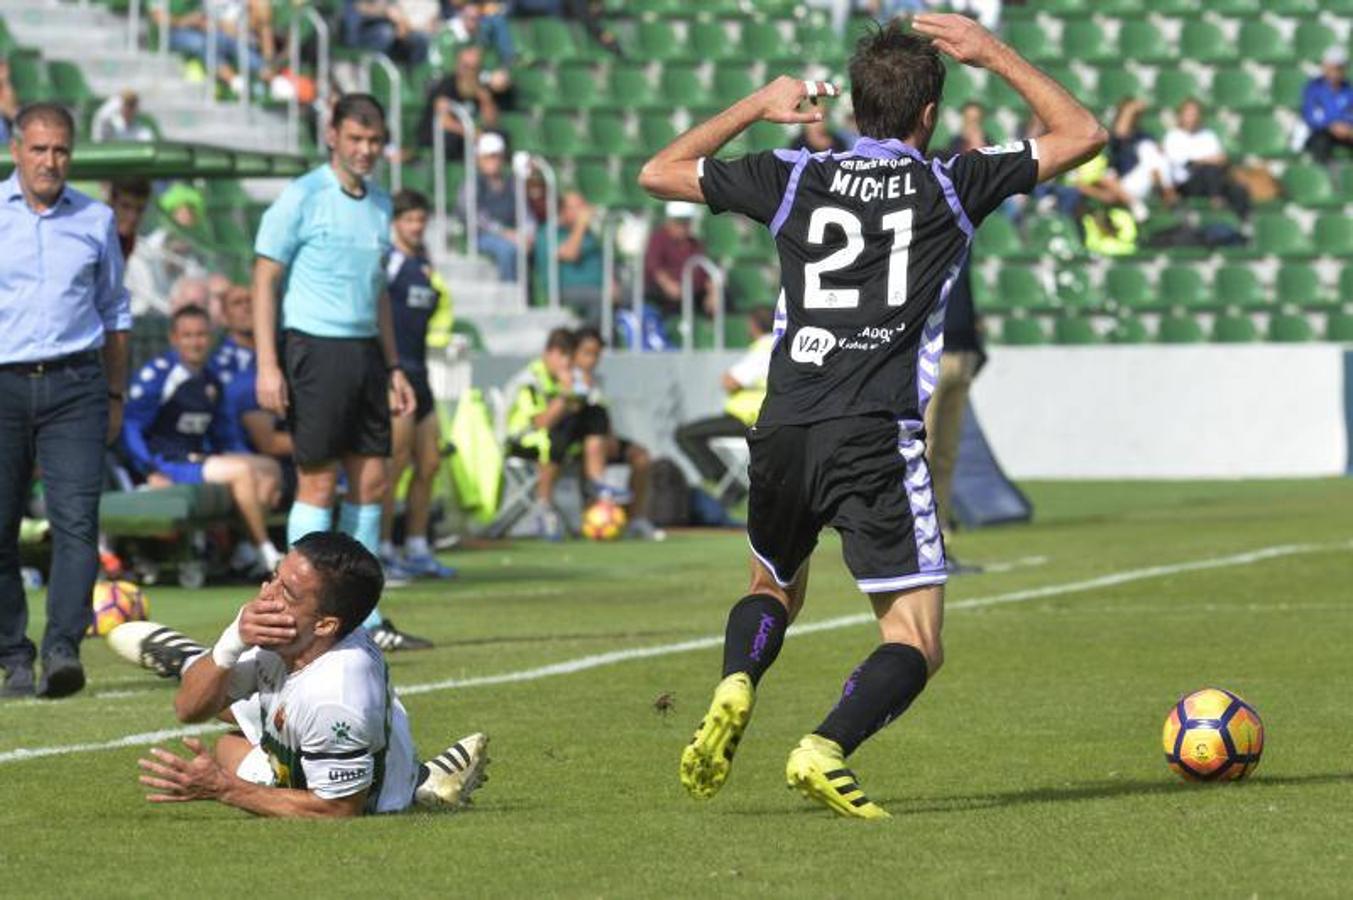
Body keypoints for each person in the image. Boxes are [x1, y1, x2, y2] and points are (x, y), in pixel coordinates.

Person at [639, 16, 1105, 817]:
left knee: (772, 583)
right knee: (915, 640)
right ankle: (824, 745)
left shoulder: (792, 177)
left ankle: (738, 679)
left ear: (854, 108)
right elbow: (1082, 134)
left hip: (784, 421)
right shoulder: (953, 182)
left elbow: (658, 172)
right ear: (926, 114)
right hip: (873, 432)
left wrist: (759, 103)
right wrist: (990, 53)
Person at [136, 532, 488, 816]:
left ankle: (417, 785)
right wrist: (231, 642)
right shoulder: (288, 629)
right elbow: (188, 709)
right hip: (332, 724)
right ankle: (193, 660)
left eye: (285, 592)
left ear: (324, 624)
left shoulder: (335, 696)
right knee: (228, 738)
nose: (265, 594)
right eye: (274, 576)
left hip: (361, 795)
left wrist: (223, 788)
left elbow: (338, 809)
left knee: (230, 744)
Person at [252, 93, 430, 651]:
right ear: (332, 136)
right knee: (319, 481)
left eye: (374, 141)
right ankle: (297, 612)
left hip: (365, 356)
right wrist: (268, 362)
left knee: (373, 481)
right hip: (314, 349)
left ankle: (363, 616)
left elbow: (377, 293)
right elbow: (263, 279)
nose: (365, 149)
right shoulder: (301, 197)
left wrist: (393, 364)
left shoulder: (380, 204)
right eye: (355, 138)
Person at [0, 102, 132, 700]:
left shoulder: (96, 219)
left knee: (76, 523)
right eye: (39, 149)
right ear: (15, 150)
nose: (50, 160)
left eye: (60, 150)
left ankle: (61, 650)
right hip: (3, 383)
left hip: (78, 384)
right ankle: (13, 657)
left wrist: (115, 393)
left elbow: (115, 312)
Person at [122, 305, 285, 577]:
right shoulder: (158, 375)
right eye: (187, 335)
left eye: (201, 335)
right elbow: (131, 427)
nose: (195, 342)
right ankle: (266, 552)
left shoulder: (211, 380)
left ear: (210, 338)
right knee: (242, 472)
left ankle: (243, 550)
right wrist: (150, 470)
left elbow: (224, 435)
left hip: (196, 459)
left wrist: (242, 458)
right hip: (168, 462)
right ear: (174, 338)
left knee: (268, 468)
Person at [378, 189, 456, 579]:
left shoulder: (425, 265)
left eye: (421, 220)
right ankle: (383, 549)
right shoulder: (389, 263)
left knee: (429, 462)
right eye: (409, 220)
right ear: (395, 222)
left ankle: (417, 545)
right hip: (395, 375)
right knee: (393, 465)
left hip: (421, 373)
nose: (416, 227)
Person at [673, 306, 775, 503]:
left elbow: (730, 381)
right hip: (768, 419)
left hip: (748, 419)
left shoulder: (763, 348)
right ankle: (728, 485)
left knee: (685, 434)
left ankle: (726, 485)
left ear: (754, 325)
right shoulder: (782, 346)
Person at [571, 326, 664, 541]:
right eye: (587, 353)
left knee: (641, 456)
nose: (592, 360)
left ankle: (636, 518)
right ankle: (599, 505)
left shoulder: (597, 381)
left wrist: (610, 436)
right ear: (574, 352)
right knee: (595, 445)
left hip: (601, 439)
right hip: (576, 443)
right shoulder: (568, 378)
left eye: (596, 354)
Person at [503, 328, 595, 539]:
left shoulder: (566, 378)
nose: (566, 364)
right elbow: (541, 423)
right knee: (556, 438)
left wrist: (583, 394)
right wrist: (565, 393)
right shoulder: (530, 380)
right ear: (549, 353)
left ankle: (595, 499)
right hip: (523, 438)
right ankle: (544, 508)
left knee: (593, 418)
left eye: (570, 358)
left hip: (552, 437)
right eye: (563, 356)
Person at [1162, 98, 1249, 219]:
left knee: (1238, 190)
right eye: (1189, 114)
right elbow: (1185, 163)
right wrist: (1207, 160)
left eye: (1195, 114)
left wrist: (1214, 160)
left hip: (1213, 179)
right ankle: (1216, 202)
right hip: (1187, 183)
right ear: (1181, 116)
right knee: (1209, 169)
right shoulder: (1173, 137)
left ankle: (1243, 224)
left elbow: (1220, 157)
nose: (1192, 118)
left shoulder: (1208, 135)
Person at [458, 131, 524, 283]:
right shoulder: (472, 183)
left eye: (497, 156)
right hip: (480, 236)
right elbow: (471, 214)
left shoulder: (512, 183)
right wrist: (502, 231)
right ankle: (510, 293)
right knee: (507, 249)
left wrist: (527, 232)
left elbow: (525, 212)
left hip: (512, 233)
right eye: (488, 157)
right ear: (478, 159)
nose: (493, 161)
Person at [417, 44, 500, 159]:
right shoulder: (447, 86)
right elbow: (444, 121)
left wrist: (485, 100)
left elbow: (491, 122)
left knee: (496, 137)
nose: (470, 72)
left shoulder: (480, 87)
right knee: (451, 139)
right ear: (458, 65)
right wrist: (471, 132)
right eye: (466, 67)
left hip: (468, 137)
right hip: (439, 138)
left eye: (474, 68)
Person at [534, 190, 605, 322]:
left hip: (599, 286)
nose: (582, 212)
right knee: (601, 298)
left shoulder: (590, 233)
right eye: (576, 207)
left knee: (638, 292)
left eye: (583, 206)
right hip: (564, 289)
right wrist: (581, 225)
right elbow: (570, 254)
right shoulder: (549, 232)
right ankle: (588, 339)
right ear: (563, 211)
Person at [644, 201, 718, 317]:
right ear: (670, 221)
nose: (683, 226)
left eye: (686, 222)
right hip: (667, 297)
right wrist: (668, 285)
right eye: (679, 222)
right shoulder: (658, 239)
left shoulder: (695, 244)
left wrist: (713, 293)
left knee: (723, 300)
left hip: (693, 293)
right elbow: (654, 267)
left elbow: (706, 272)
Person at [1302, 46, 1353, 164]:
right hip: (1323, 132)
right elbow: (1310, 116)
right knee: (1320, 141)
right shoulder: (1313, 88)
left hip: (1346, 130)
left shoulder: (1349, 90)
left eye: (1338, 68)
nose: (1334, 73)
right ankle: (1323, 177)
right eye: (1331, 68)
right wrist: (1332, 125)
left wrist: (1347, 127)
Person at [341, 0, 430, 66]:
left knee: (420, 40)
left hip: (385, 34)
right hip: (357, 28)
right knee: (385, 32)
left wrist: (389, 15)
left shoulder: (386, 34)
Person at [107, 176, 152, 262]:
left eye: (140, 209)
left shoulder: (128, 240)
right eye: (125, 207)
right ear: (111, 203)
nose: (133, 217)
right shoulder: (92, 237)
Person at [91, 90, 156, 143]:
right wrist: (117, 101)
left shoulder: (143, 133)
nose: (128, 109)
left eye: (131, 105)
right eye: (126, 105)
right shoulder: (113, 128)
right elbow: (101, 118)